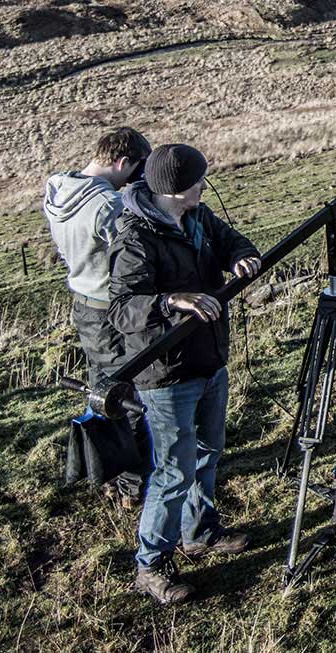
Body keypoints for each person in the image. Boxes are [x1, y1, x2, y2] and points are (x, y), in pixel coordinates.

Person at [110, 143, 262, 605]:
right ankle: (151, 564)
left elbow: (232, 241)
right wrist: (171, 301)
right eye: (198, 181)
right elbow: (122, 309)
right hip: (167, 373)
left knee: (208, 452)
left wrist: (242, 257)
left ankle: (200, 532)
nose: (204, 187)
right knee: (173, 470)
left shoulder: (198, 217)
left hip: (209, 358)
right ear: (176, 189)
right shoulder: (135, 238)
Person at [43, 127, 151, 394]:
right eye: (137, 168)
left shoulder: (59, 189)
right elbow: (139, 252)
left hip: (84, 304)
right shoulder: (108, 205)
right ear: (122, 163)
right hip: (111, 307)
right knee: (125, 393)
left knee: (102, 388)